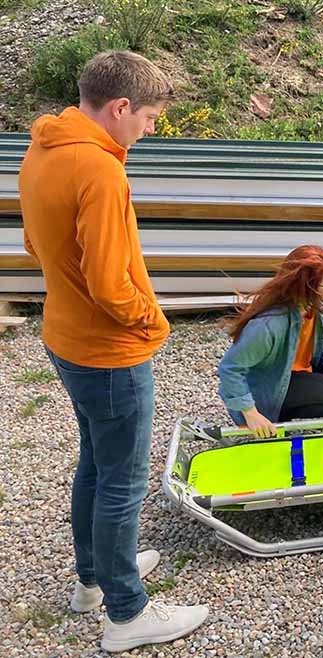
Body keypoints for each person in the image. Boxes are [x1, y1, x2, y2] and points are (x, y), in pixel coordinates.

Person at [17, 51, 209, 653]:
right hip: (109, 351)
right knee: (123, 481)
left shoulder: (42, 149)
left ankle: (92, 579)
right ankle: (126, 615)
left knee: (95, 464)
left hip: (65, 339)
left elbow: (31, 242)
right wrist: (151, 318)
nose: (150, 130)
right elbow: (108, 284)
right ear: (120, 108)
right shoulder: (101, 172)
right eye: (149, 118)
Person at [216, 245, 323, 436]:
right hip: (274, 384)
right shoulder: (269, 324)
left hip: (306, 368)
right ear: (306, 287)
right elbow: (230, 368)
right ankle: (278, 416)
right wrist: (250, 413)